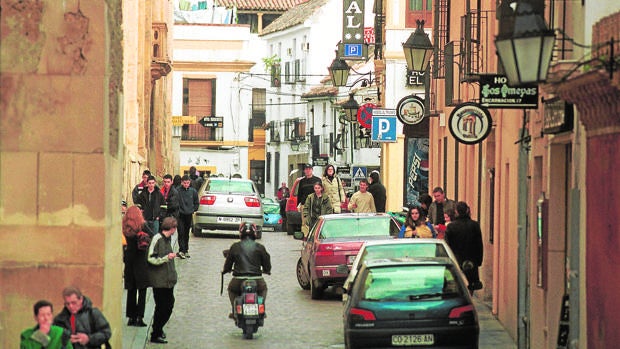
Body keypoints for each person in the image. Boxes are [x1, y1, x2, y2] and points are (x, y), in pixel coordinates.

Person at [222, 222, 271, 318]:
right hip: (257, 278)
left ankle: (235, 309)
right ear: (255, 233)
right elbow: (267, 262)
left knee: (231, 289)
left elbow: (228, 263)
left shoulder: (235, 247)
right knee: (263, 289)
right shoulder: (260, 247)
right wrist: (267, 270)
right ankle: (261, 308)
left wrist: (226, 270)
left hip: (238, 279)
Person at [147, 217, 178, 344]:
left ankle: (158, 329)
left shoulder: (167, 239)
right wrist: (166, 258)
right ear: (172, 228)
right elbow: (151, 258)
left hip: (168, 280)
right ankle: (156, 332)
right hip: (159, 281)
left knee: (168, 305)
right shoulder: (158, 239)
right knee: (162, 307)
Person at [444, 201, 484, 294]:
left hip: (456, 259)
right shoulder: (474, 225)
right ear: (467, 210)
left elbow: (447, 244)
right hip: (471, 259)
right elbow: (479, 244)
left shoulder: (451, 226)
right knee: (471, 283)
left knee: (458, 283)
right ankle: (469, 299)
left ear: (456, 212)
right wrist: (479, 260)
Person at [122, 205, 151, 327]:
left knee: (131, 290)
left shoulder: (124, 227)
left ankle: (131, 317)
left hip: (129, 262)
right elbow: (153, 235)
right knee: (142, 291)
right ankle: (140, 317)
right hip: (141, 262)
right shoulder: (142, 225)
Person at [177, 175, 199, 259]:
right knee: (181, 232)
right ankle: (181, 250)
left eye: (188, 183)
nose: (186, 184)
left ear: (190, 182)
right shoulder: (178, 191)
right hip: (180, 214)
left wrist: (193, 210)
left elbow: (196, 202)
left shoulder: (193, 191)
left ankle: (186, 250)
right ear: (182, 182)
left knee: (186, 233)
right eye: (184, 183)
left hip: (189, 214)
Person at [296, 164, 321, 234]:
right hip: (305, 205)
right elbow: (299, 193)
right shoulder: (302, 181)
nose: (308, 171)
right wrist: (298, 204)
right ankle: (305, 238)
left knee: (316, 222)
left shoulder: (317, 180)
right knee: (305, 223)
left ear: (312, 170)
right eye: (306, 169)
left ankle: (314, 237)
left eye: (309, 169)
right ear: (304, 171)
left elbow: (321, 192)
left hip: (315, 204)